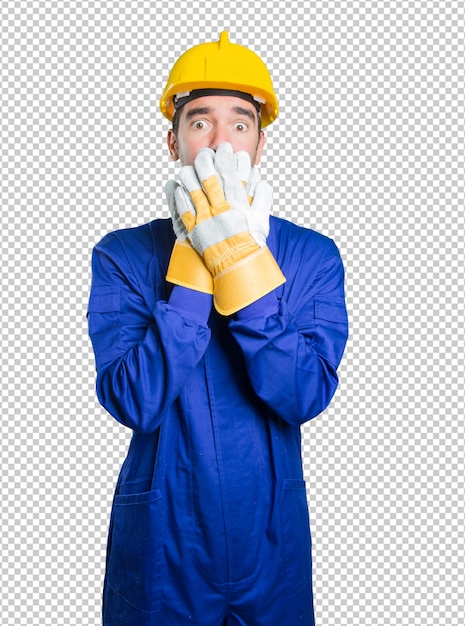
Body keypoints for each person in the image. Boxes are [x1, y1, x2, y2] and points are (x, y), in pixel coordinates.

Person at [87, 31, 348, 626]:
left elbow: (304, 394)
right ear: (173, 139)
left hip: (269, 540)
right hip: (163, 540)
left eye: (241, 123)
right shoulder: (124, 256)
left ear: (260, 143)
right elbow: (134, 398)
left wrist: (238, 259)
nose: (221, 140)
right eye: (200, 122)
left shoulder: (311, 255)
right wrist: (193, 268)